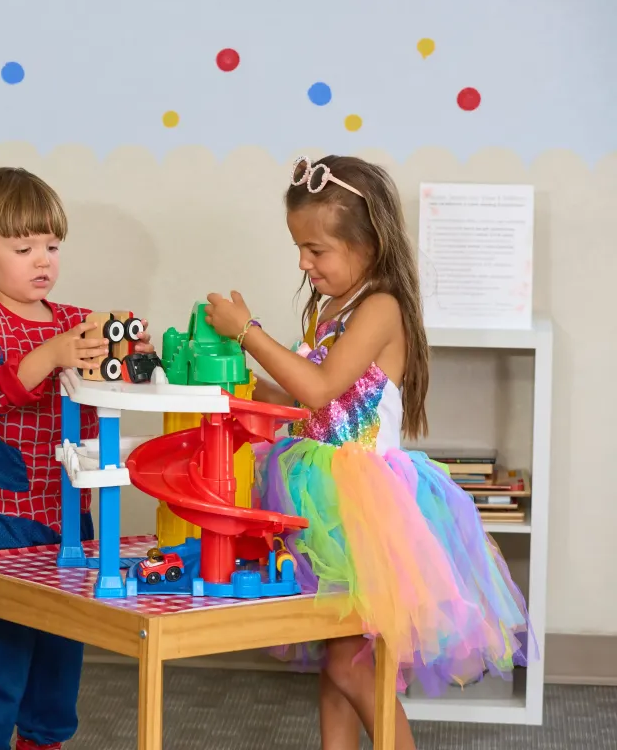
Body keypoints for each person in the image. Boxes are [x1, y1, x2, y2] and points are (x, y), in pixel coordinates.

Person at [204, 155, 534, 750]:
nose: (304, 262)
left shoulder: (379, 309)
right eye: (299, 248)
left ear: (369, 244)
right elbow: (313, 406)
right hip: (319, 488)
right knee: (337, 662)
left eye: (316, 250)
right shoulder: (329, 308)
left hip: (362, 505)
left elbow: (323, 388)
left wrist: (246, 331)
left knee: (351, 665)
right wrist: (252, 391)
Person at [0, 167, 153, 750]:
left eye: (52, 247)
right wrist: (54, 352)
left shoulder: (71, 321)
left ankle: (44, 740)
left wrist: (132, 347)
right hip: (1, 520)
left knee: (61, 652)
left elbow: (121, 378)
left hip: (73, 519)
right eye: (23, 247)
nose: (42, 261)